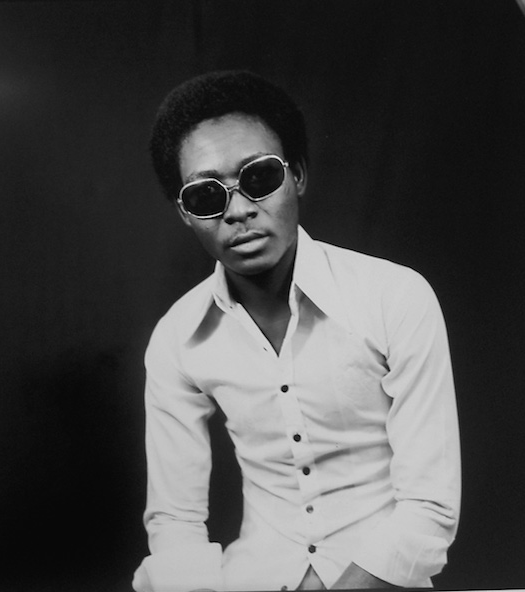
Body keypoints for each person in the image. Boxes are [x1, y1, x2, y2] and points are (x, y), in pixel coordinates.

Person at [132, 70, 461, 592]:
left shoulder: (395, 297)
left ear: (299, 175)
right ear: (184, 214)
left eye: (259, 178)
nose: (238, 211)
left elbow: (430, 508)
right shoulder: (177, 338)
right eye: (206, 195)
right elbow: (175, 522)